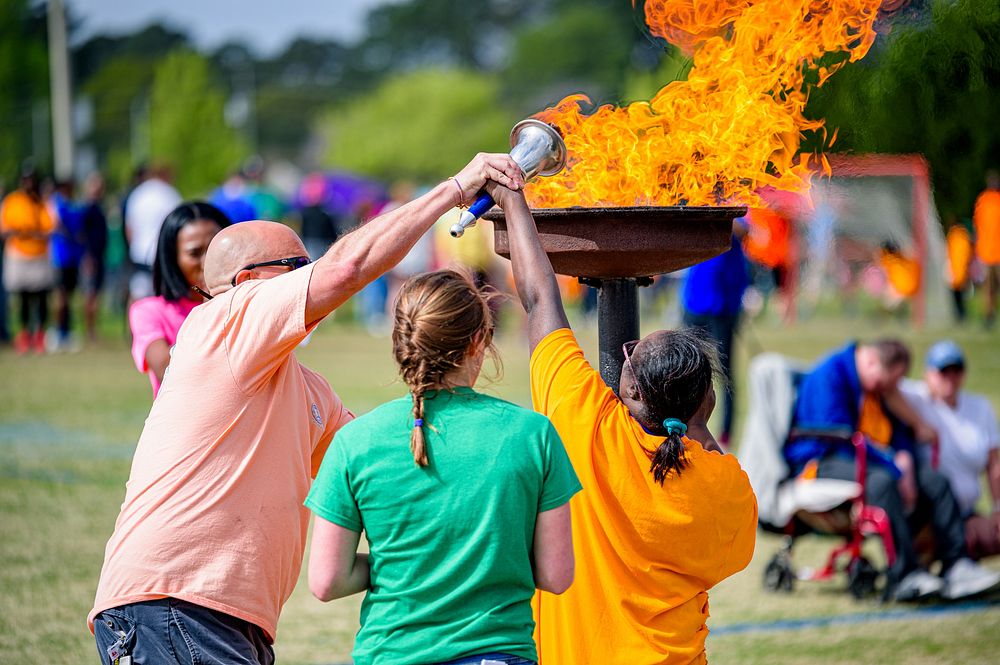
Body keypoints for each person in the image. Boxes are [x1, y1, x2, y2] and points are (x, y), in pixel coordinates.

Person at [89, 152, 524, 665]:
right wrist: (455, 187)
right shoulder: (223, 322)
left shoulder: (308, 390)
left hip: (221, 620)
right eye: (297, 269)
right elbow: (346, 269)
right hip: (172, 603)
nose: (310, 278)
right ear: (249, 285)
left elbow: (383, 465)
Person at [492, 181, 757, 664]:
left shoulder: (584, 420)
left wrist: (513, 200)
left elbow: (538, 298)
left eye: (631, 355)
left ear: (629, 390)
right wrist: (698, 427)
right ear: (708, 400)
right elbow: (730, 553)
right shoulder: (725, 485)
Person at [305, 269, 580, 665]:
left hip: (390, 653)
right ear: (478, 341)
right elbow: (557, 575)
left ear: (401, 342)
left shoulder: (355, 440)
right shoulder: (532, 434)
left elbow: (326, 581)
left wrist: (399, 560)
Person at [784, 339, 1000, 601]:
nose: (891, 389)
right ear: (873, 363)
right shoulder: (829, 374)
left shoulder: (876, 386)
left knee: (935, 481)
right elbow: (840, 438)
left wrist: (905, 457)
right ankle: (904, 574)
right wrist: (893, 465)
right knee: (883, 481)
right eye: (889, 381)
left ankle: (956, 565)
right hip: (820, 460)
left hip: (866, 460)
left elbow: (897, 431)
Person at [902, 340, 1000, 561]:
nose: (950, 377)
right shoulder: (916, 398)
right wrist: (919, 425)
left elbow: (994, 463)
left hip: (967, 510)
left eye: (957, 370)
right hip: (930, 513)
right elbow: (884, 383)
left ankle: (962, 554)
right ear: (928, 374)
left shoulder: (979, 407)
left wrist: (998, 509)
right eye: (943, 371)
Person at [128, 201, 231, 396]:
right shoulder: (148, 311)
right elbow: (166, 372)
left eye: (215, 248)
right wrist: (209, 305)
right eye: (195, 253)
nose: (209, 260)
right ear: (172, 259)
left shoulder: (243, 301)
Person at [681, 222, 750, 448]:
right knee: (686, 369)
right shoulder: (699, 196)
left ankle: (726, 434)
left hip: (724, 304)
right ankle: (684, 428)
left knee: (726, 371)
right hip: (696, 298)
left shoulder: (735, 198)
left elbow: (744, 229)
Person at [0, 164, 55, 354]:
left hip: (39, 255)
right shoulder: (12, 201)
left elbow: (49, 228)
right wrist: (19, 232)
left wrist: (33, 233)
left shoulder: (41, 202)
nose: (29, 183)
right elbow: (5, 229)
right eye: (26, 180)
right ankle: (24, 335)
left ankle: (40, 335)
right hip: (18, 255)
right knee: (22, 298)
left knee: (41, 298)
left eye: (31, 179)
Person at [125, 167, 181, 301]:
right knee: (163, 293)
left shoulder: (137, 194)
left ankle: (133, 320)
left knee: (138, 292)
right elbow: (178, 224)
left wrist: (132, 247)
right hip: (162, 252)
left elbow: (129, 227)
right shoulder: (169, 194)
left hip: (139, 251)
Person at [49, 179, 87, 351]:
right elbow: (58, 227)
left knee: (69, 298)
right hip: (61, 258)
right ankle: (59, 331)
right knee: (61, 297)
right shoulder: (57, 204)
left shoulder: (73, 206)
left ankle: (66, 331)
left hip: (73, 258)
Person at [80, 173, 109, 342]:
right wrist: (88, 257)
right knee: (90, 295)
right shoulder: (88, 209)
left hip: (99, 257)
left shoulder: (98, 207)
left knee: (96, 295)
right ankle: (89, 330)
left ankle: (93, 330)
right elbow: (82, 235)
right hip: (91, 259)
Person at [973, 170, 1000, 327]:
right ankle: (988, 315)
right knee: (988, 287)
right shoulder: (983, 201)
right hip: (986, 252)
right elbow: (978, 225)